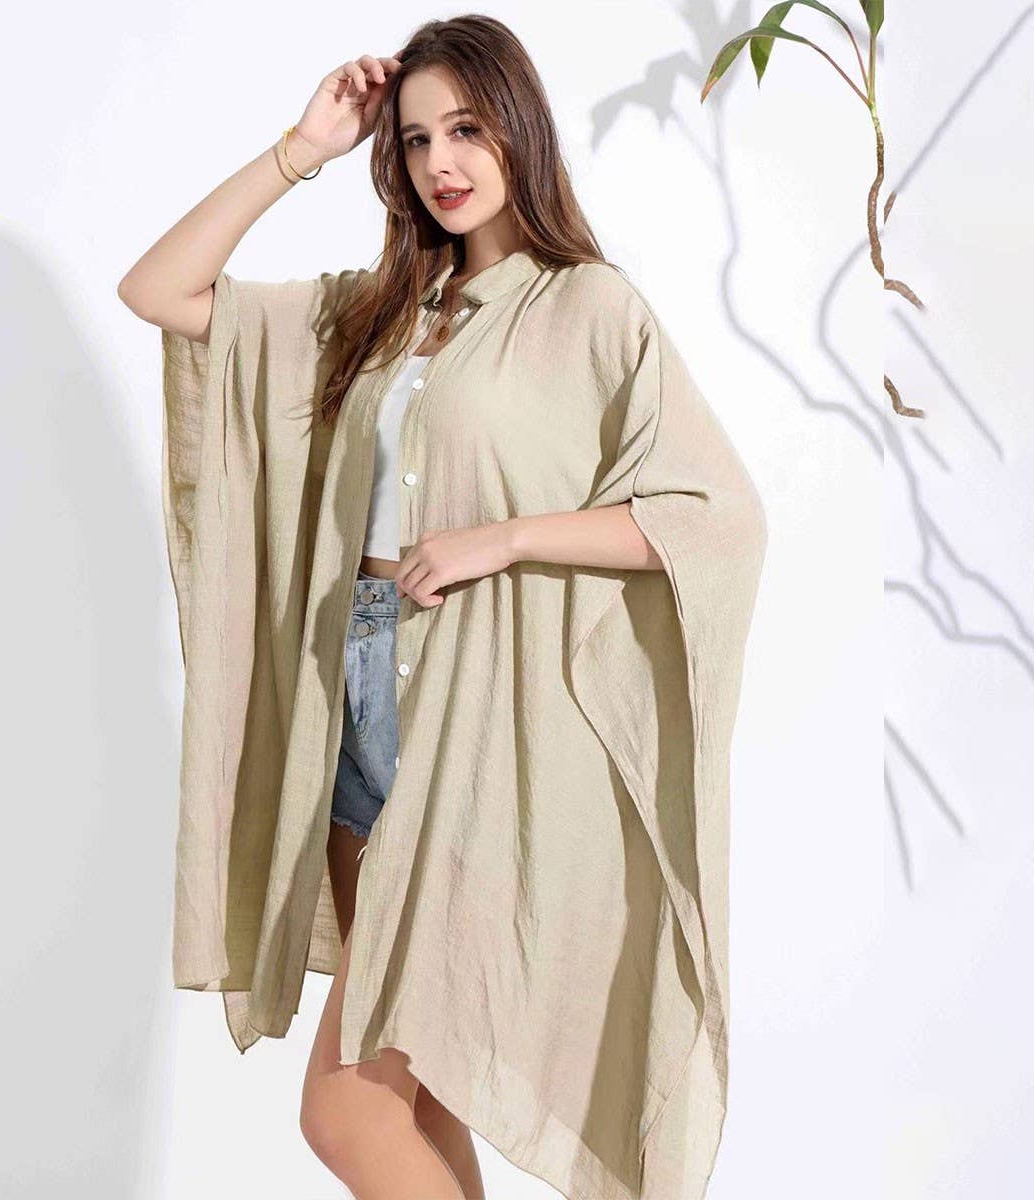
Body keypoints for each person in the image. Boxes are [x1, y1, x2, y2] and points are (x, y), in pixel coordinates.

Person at [119, 15, 766, 1200]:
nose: (440, 162)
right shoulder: (374, 311)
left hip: (479, 727)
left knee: (343, 1111)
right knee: (418, 1096)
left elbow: (712, 516)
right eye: (415, 139)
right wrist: (305, 147)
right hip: (352, 717)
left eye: (466, 129)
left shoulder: (591, 310)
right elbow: (158, 289)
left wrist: (505, 538)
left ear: (518, 128)